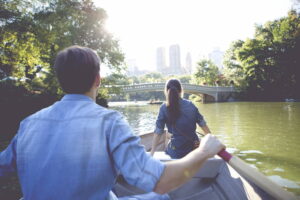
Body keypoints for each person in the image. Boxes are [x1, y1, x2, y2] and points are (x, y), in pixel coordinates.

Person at [0, 46, 224, 200]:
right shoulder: (109, 122)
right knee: (161, 196)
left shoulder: (29, 123)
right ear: (97, 80)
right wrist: (204, 151)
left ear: (61, 81)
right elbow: (162, 181)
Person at [151, 79, 212, 159]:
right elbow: (203, 125)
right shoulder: (191, 105)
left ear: (166, 91)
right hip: (193, 150)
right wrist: (212, 141)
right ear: (181, 90)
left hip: (176, 152)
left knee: (168, 136)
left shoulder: (164, 108)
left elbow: (158, 132)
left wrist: (152, 152)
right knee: (197, 139)